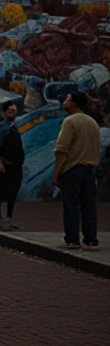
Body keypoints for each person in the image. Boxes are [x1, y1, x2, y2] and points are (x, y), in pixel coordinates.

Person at [54, 92, 99, 250]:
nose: (64, 101)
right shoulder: (92, 122)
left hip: (72, 169)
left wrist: (57, 173)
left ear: (73, 103)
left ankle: (73, 239)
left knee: (71, 206)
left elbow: (62, 150)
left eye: (67, 99)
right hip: (90, 169)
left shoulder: (70, 121)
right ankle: (91, 239)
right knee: (89, 205)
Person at [0, 101, 25, 230]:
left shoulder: (15, 127)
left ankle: (8, 219)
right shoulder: (0, 128)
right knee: (2, 194)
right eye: (10, 111)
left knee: (12, 194)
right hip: (3, 166)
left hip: (15, 166)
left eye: (14, 111)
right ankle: (1, 220)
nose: (12, 114)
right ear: (4, 112)